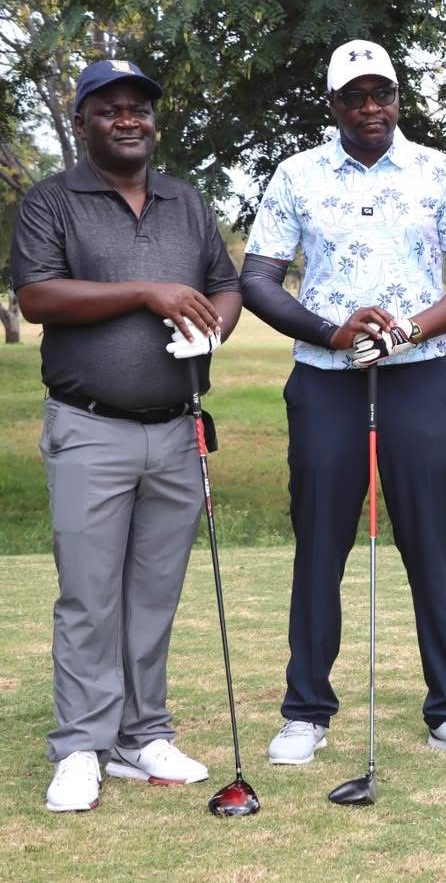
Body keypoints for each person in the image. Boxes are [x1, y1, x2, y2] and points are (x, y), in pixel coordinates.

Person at [241, 40, 446, 765]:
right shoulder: (297, 174)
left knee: (430, 544)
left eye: (380, 92)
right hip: (326, 375)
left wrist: (410, 328)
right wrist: (331, 329)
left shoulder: (437, 170)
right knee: (321, 543)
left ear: (397, 96)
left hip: (418, 372)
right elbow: (259, 278)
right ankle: (306, 711)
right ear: (333, 104)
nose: (370, 106)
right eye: (354, 95)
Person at [10, 58, 242, 812]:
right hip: (90, 429)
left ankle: (142, 735)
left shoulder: (186, 199)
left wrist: (211, 331)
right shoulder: (53, 201)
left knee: (152, 594)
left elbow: (224, 284)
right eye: (110, 108)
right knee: (88, 596)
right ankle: (81, 743)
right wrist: (148, 290)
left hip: (175, 431)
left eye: (139, 106)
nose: (129, 118)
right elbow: (38, 295)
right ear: (82, 122)